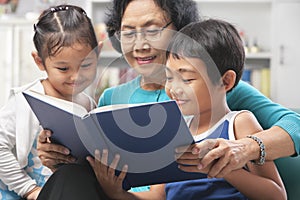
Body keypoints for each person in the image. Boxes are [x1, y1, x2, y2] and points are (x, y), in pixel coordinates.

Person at [37, 0, 299, 198]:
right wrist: (60, 155)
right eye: (128, 32)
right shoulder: (111, 97)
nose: (139, 44)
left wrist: (243, 151)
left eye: (152, 30)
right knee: (69, 175)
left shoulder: (219, 92)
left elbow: (295, 127)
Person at [88, 18, 287, 200]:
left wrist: (225, 168)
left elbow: (277, 195)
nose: (174, 88)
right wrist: (116, 192)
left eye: (187, 79)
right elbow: (157, 196)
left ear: (225, 81)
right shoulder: (172, 130)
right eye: (168, 77)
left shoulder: (240, 124)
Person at [0, 4, 99, 200]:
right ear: (40, 62)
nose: (75, 76)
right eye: (63, 68)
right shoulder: (25, 100)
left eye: (86, 65)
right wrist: (28, 189)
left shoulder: (89, 105)